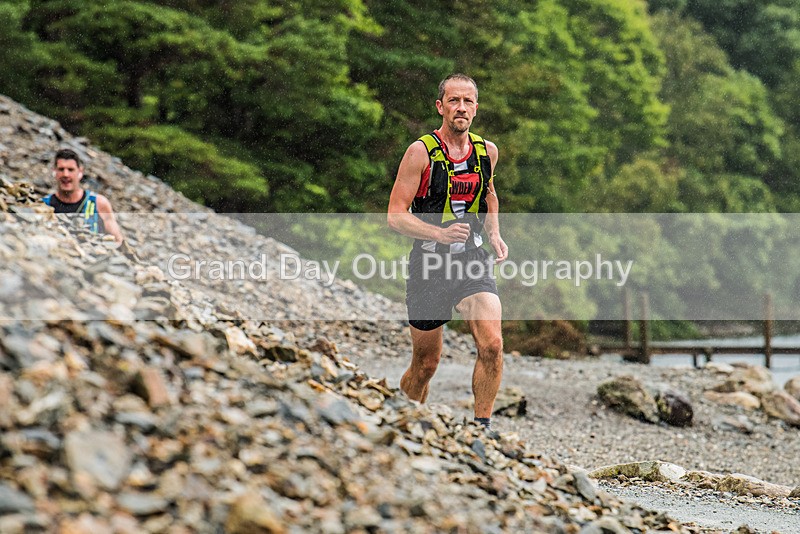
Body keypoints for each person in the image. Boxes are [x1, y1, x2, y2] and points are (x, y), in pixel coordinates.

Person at [388, 74, 508, 429]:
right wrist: (438, 234)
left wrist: (495, 233)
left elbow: (489, 193)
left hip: (472, 259)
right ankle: (403, 422)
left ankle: (480, 430)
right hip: (428, 263)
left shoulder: (487, 152)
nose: (461, 108)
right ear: (440, 107)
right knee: (426, 365)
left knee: (492, 344)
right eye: (454, 101)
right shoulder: (419, 152)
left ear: (476, 108)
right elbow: (395, 216)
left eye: (468, 101)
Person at [43, 148, 123, 243]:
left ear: (80, 172)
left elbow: (117, 241)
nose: (65, 174)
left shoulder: (98, 204)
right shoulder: (43, 205)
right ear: (54, 172)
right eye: (61, 169)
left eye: (71, 169)